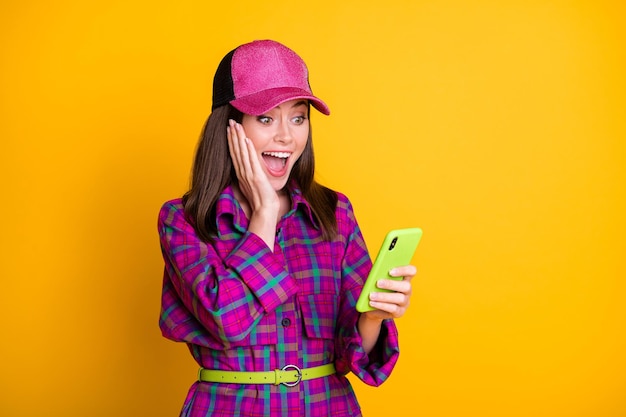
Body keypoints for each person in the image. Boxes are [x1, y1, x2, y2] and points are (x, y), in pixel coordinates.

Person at [157, 39, 417, 417]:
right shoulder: (184, 220)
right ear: (229, 126)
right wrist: (263, 213)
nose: (286, 137)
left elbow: (354, 353)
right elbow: (226, 321)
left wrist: (374, 315)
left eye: (298, 118)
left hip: (326, 407)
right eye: (265, 118)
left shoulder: (334, 213)